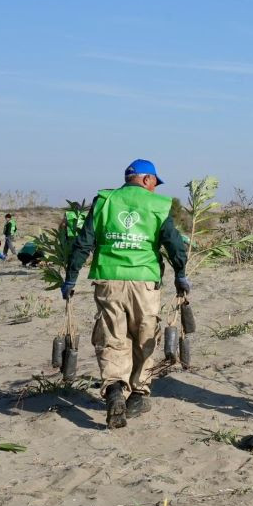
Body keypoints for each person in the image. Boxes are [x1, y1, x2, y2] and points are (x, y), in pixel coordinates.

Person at [63, 159, 189, 429]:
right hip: (144, 283)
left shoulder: (104, 201)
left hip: (109, 281)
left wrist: (71, 278)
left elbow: (84, 241)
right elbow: (173, 243)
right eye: (155, 182)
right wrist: (180, 273)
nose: (155, 188)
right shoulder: (157, 205)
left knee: (112, 335)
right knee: (144, 335)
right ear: (146, 179)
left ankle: (115, 388)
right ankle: (139, 393)